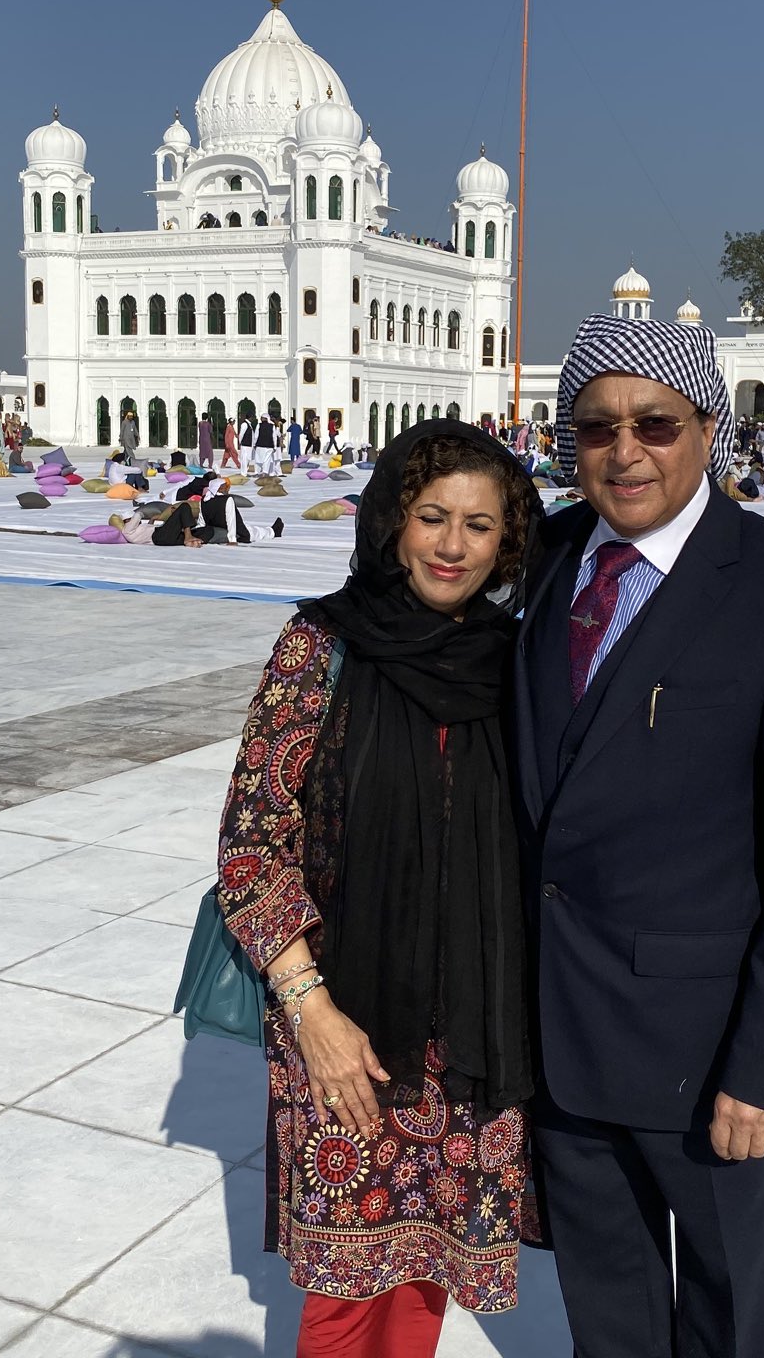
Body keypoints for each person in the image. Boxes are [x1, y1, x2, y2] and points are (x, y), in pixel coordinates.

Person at [513, 314, 764, 1358]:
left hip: (708, 1054)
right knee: (607, 1314)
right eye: (596, 427)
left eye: (655, 424)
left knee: (726, 1316)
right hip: (559, 1031)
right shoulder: (544, 560)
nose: (624, 451)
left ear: (708, 428)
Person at [216, 420, 540, 1355]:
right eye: (432, 517)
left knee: (426, 1270)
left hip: (474, 1027)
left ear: (508, 542)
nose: (452, 546)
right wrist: (312, 1012)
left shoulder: (513, 661)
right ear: (393, 521)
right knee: (346, 1293)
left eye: (479, 525)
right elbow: (251, 845)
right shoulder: (323, 646)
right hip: (344, 1018)